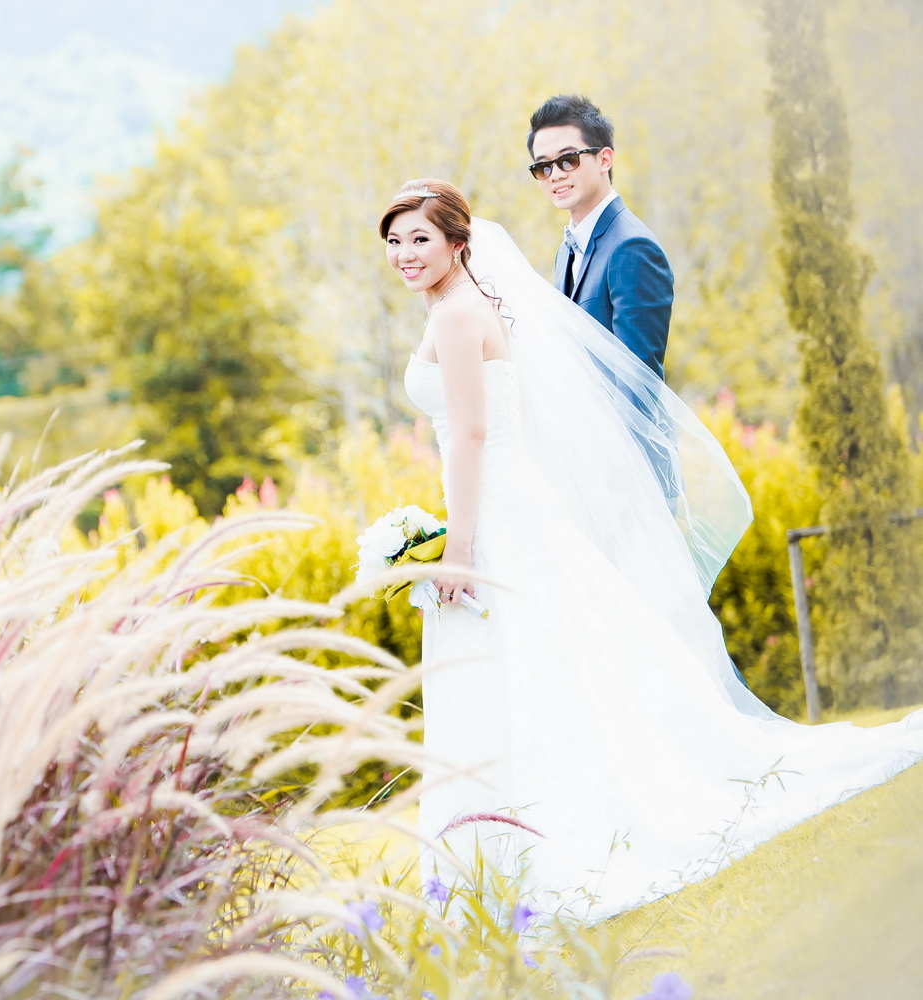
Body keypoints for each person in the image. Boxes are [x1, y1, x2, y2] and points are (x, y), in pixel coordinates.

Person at [380, 178, 923, 921]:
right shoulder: (466, 305)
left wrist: (462, 546)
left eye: (420, 238)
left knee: (528, 666)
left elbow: (471, 436)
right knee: (553, 666)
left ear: (457, 243)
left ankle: (537, 839)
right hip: (506, 507)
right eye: (395, 240)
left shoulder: (455, 315)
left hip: (496, 518)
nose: (405, 253)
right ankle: (517, 836)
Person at [528, 95, 673, 380]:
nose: (555, 175)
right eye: (543, 167)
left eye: (568, 160)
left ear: (604, 159)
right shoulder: (565, 251)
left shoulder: (632, 247)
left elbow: (638, 381)